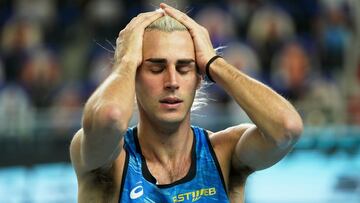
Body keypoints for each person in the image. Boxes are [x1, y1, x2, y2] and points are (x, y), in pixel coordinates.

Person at [70, 3, 303, 203]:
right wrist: (127, 61)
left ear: (199, 78)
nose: (172, 81)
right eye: (156, 68)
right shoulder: (113, 160)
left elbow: (287, 128)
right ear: (134, 78)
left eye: (184, 68)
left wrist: (213, 62)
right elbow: (109, 116)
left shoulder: (224, 152)